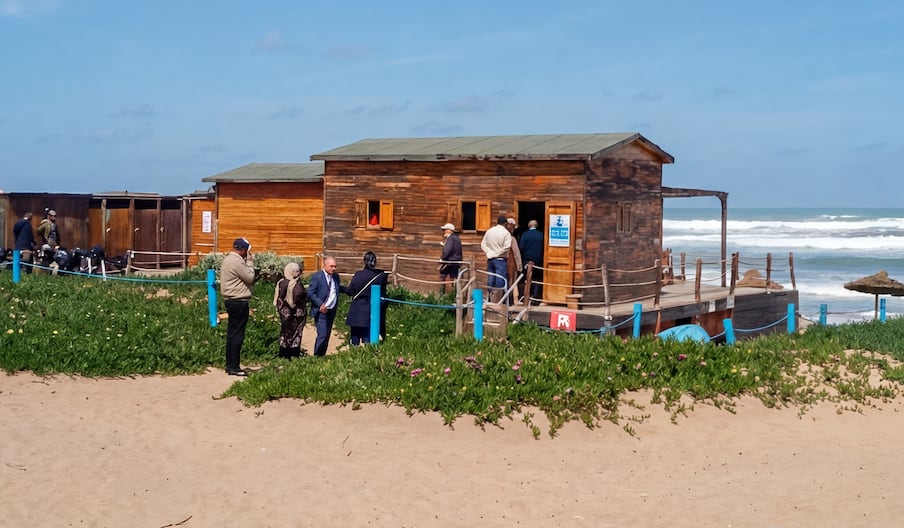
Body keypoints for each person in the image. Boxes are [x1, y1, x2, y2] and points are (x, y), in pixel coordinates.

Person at [220, 237, 256, 376]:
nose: (248, 253)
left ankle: (230, 365)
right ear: (242, 250)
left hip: (230, 300)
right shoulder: (237, 261)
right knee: (237, 335)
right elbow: (250, 277)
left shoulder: (228, 259)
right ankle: (234, 367)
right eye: (247, 250)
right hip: (239, 301)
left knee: (231, 334)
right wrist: (250, 262)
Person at [345, 251, 388, 345]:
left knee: (354, 339)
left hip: (356, 310)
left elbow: (351, 291)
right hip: (370, 310)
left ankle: (353, 355)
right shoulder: (381, 276)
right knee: (367, 340)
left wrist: (340, 288)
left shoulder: (358, 274)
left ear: (364, 261)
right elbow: (383, 295)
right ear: (375, 261)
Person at [307, 256, 343, 357]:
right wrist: (320, 304)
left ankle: (322, 356)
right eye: (331, 266)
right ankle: (316, 356)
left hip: (331, 310)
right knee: (322, 334)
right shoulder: (317, 277)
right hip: (321, 310)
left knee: (327, 335)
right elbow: (310, 293)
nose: (334, 268)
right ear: (325, 265)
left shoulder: (336, 277)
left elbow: (336, 289)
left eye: (335, 266)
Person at [273, 262, 307, 358]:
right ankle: (294, 355)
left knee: (285, 333)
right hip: (296, 314)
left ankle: (283, 355)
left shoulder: (281, 282)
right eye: (296, 271)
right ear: (290, 272)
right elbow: (299, 295)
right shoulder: (295, 284)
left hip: (284, 314)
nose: (298, 273)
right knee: (296, 333)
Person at [480, 215, 513, 303]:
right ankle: (498, 299)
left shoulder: (489, 231)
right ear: (505, 223)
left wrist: (488, 252)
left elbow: (483, 244)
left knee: (491, 277)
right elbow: (506, 247)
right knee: (500, 279)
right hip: (500, 259)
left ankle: (490, 297)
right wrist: (496, 253)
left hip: (490, 258)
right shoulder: (506, 233)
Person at [519, 219, 544, 304]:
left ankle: (526, 296)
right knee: (537, 279)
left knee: (526, 278)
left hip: (527, 259)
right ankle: (535, 297)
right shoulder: (541, 235)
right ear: (536, 226)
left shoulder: (525, 235)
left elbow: (521, 247)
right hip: (538, 259)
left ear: (529, 226)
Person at [438, 223, 462, 294]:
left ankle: (442, 294)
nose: (444, 232)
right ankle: (455, 295)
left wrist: (442, 258)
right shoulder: (457, 238)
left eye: (445, 230)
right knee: (454, 278)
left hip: (449, 261)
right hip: (456, 261)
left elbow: (448, 250)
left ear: (449, 230)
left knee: (442, 276)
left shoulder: (450, 238)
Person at [506, 218, 523, 304]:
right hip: (511, 262)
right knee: (513, 280)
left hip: (501, 261)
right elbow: (516, 253)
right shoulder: (512, 239)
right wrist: (519, 265)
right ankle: (514, 300)